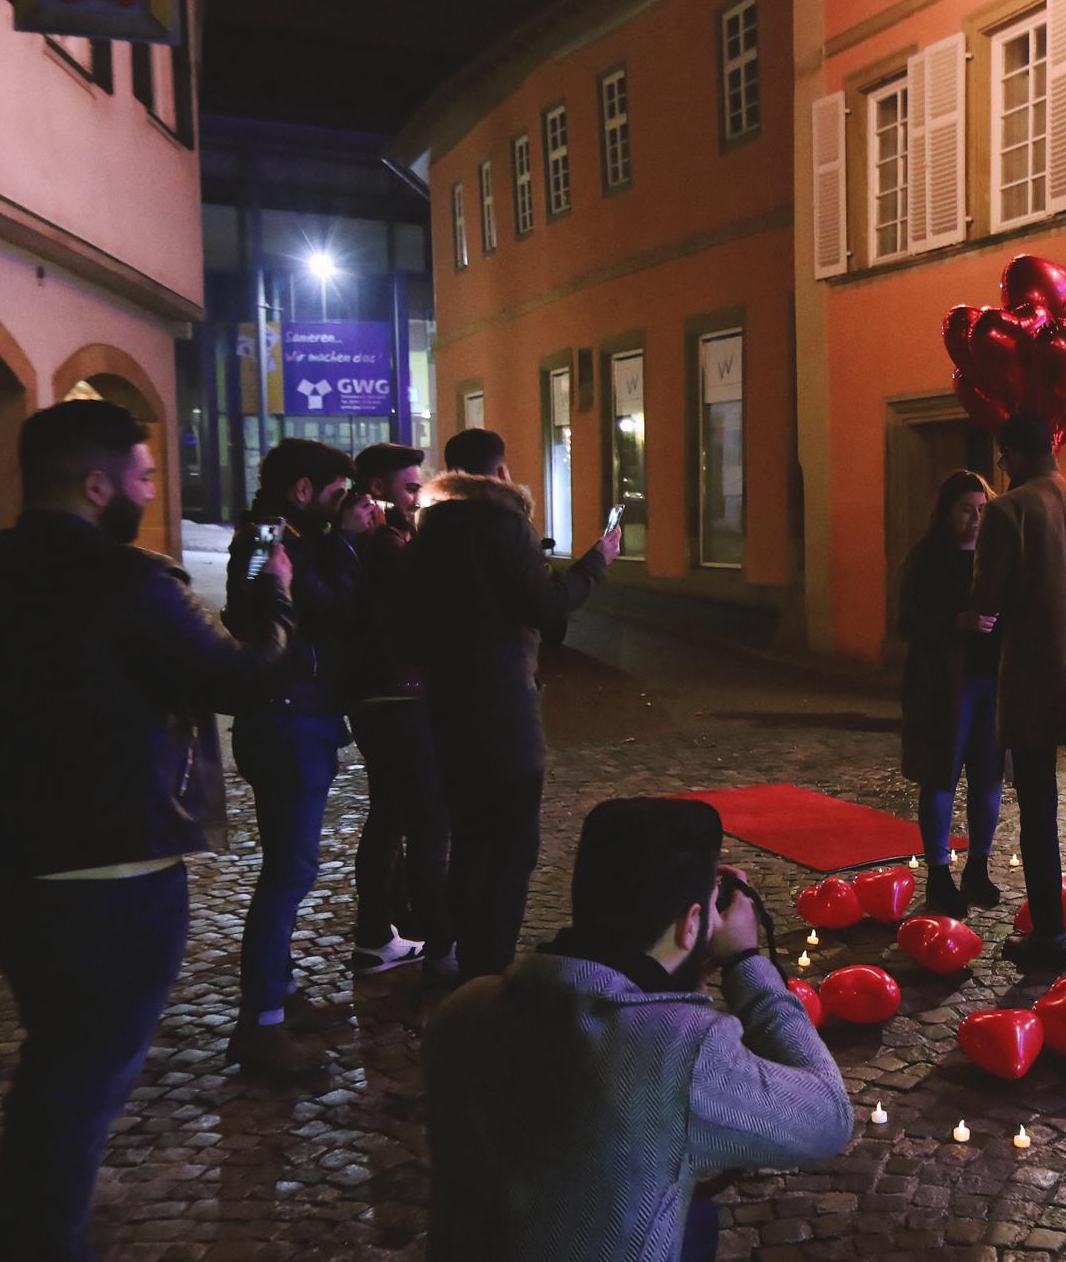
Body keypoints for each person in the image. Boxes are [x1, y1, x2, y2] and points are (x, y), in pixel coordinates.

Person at [0, 400, 294, 1259]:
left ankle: (43, 1212)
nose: (148, 491)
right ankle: (39, 1237)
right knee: (82, 1068)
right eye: (141, 477)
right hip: (113, 867)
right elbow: (241, 677)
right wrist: (275, 597)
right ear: (96, 484)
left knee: (60, 1049)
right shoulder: (133, 580)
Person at [426, 797, 853, 1262]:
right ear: (692, 924)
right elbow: (829, 1117)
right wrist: (746, 961)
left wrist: (679, 981)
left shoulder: (462, 1010)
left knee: (696, 1214)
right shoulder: (682, 1052)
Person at [408, 427, 621, 981]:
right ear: (501, 472)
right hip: (502, 702)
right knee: (511, 844)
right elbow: (547, 607)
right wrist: (597, 560)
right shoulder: (503, 522)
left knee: (468, 835)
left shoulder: (430, 525)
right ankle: (488, 970)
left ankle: (446, 950)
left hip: (447, 703)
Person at [224, 438, 378, 1075]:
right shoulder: (271, 539)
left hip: (297, 713)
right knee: (288, 873)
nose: (347, 506)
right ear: (303, 490)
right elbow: (329, 605)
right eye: (338, 495)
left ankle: (280, 996)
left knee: (289, 868)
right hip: (287, 718)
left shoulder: (286, 534)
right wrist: (348, 541)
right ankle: (261, 1024)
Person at [971, 413, 1066, 970]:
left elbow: (987, 599)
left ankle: (1051, 936)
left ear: (1011, 454)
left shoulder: (1006, 511)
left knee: (1039, 809)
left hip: (1033, 672)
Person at [346, 442, 446, 976]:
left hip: (381, 695)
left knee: (390, 814)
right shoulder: (385, 544)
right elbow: (420, 608)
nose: (417, 496)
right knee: (417, 817)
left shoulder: (378, 538)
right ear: (378, 488)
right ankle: (424, 935)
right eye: (410, 487)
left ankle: (382, 931)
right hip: (397, 697)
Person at [897, 469, 1005, 917]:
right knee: (941, 775)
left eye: (982, 510)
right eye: (966, 510)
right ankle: (939, 872)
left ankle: (978, 866)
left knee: (989, 777)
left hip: (992, 682)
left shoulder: (995, 557)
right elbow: (907, 621)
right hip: (944, 686)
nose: (975, 519)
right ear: (946, 512)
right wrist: (956, 622)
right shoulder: (927, 559)